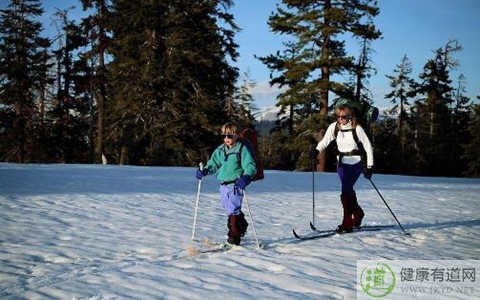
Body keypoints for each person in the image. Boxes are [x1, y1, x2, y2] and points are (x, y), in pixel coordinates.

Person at [312, 104, 374, 233]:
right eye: (338, 116)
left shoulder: (357, 129)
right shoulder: (334, 127)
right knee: (347, 191)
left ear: (350, 116)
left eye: (343, 116)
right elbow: (325, 141)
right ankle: (358, 213)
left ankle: (347, 223)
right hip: (341, 164)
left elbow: (368, 147)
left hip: (355, 164)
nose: (340, 119)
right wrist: (316, 151)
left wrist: (369, 167)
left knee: (345, 191)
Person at [195, 122, 257, 245]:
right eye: (224, 136)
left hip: (236, 183)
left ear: (237, 136)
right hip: (223, 184)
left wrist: (246, 176)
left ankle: (234, 235)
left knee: (233, 209)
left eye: (229, 136)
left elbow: (250, 165)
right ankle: (242, 224)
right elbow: (214, 163)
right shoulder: (221, 150)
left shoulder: (241, 149)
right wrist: (205, 170)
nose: (226, 139)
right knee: (228, 208)